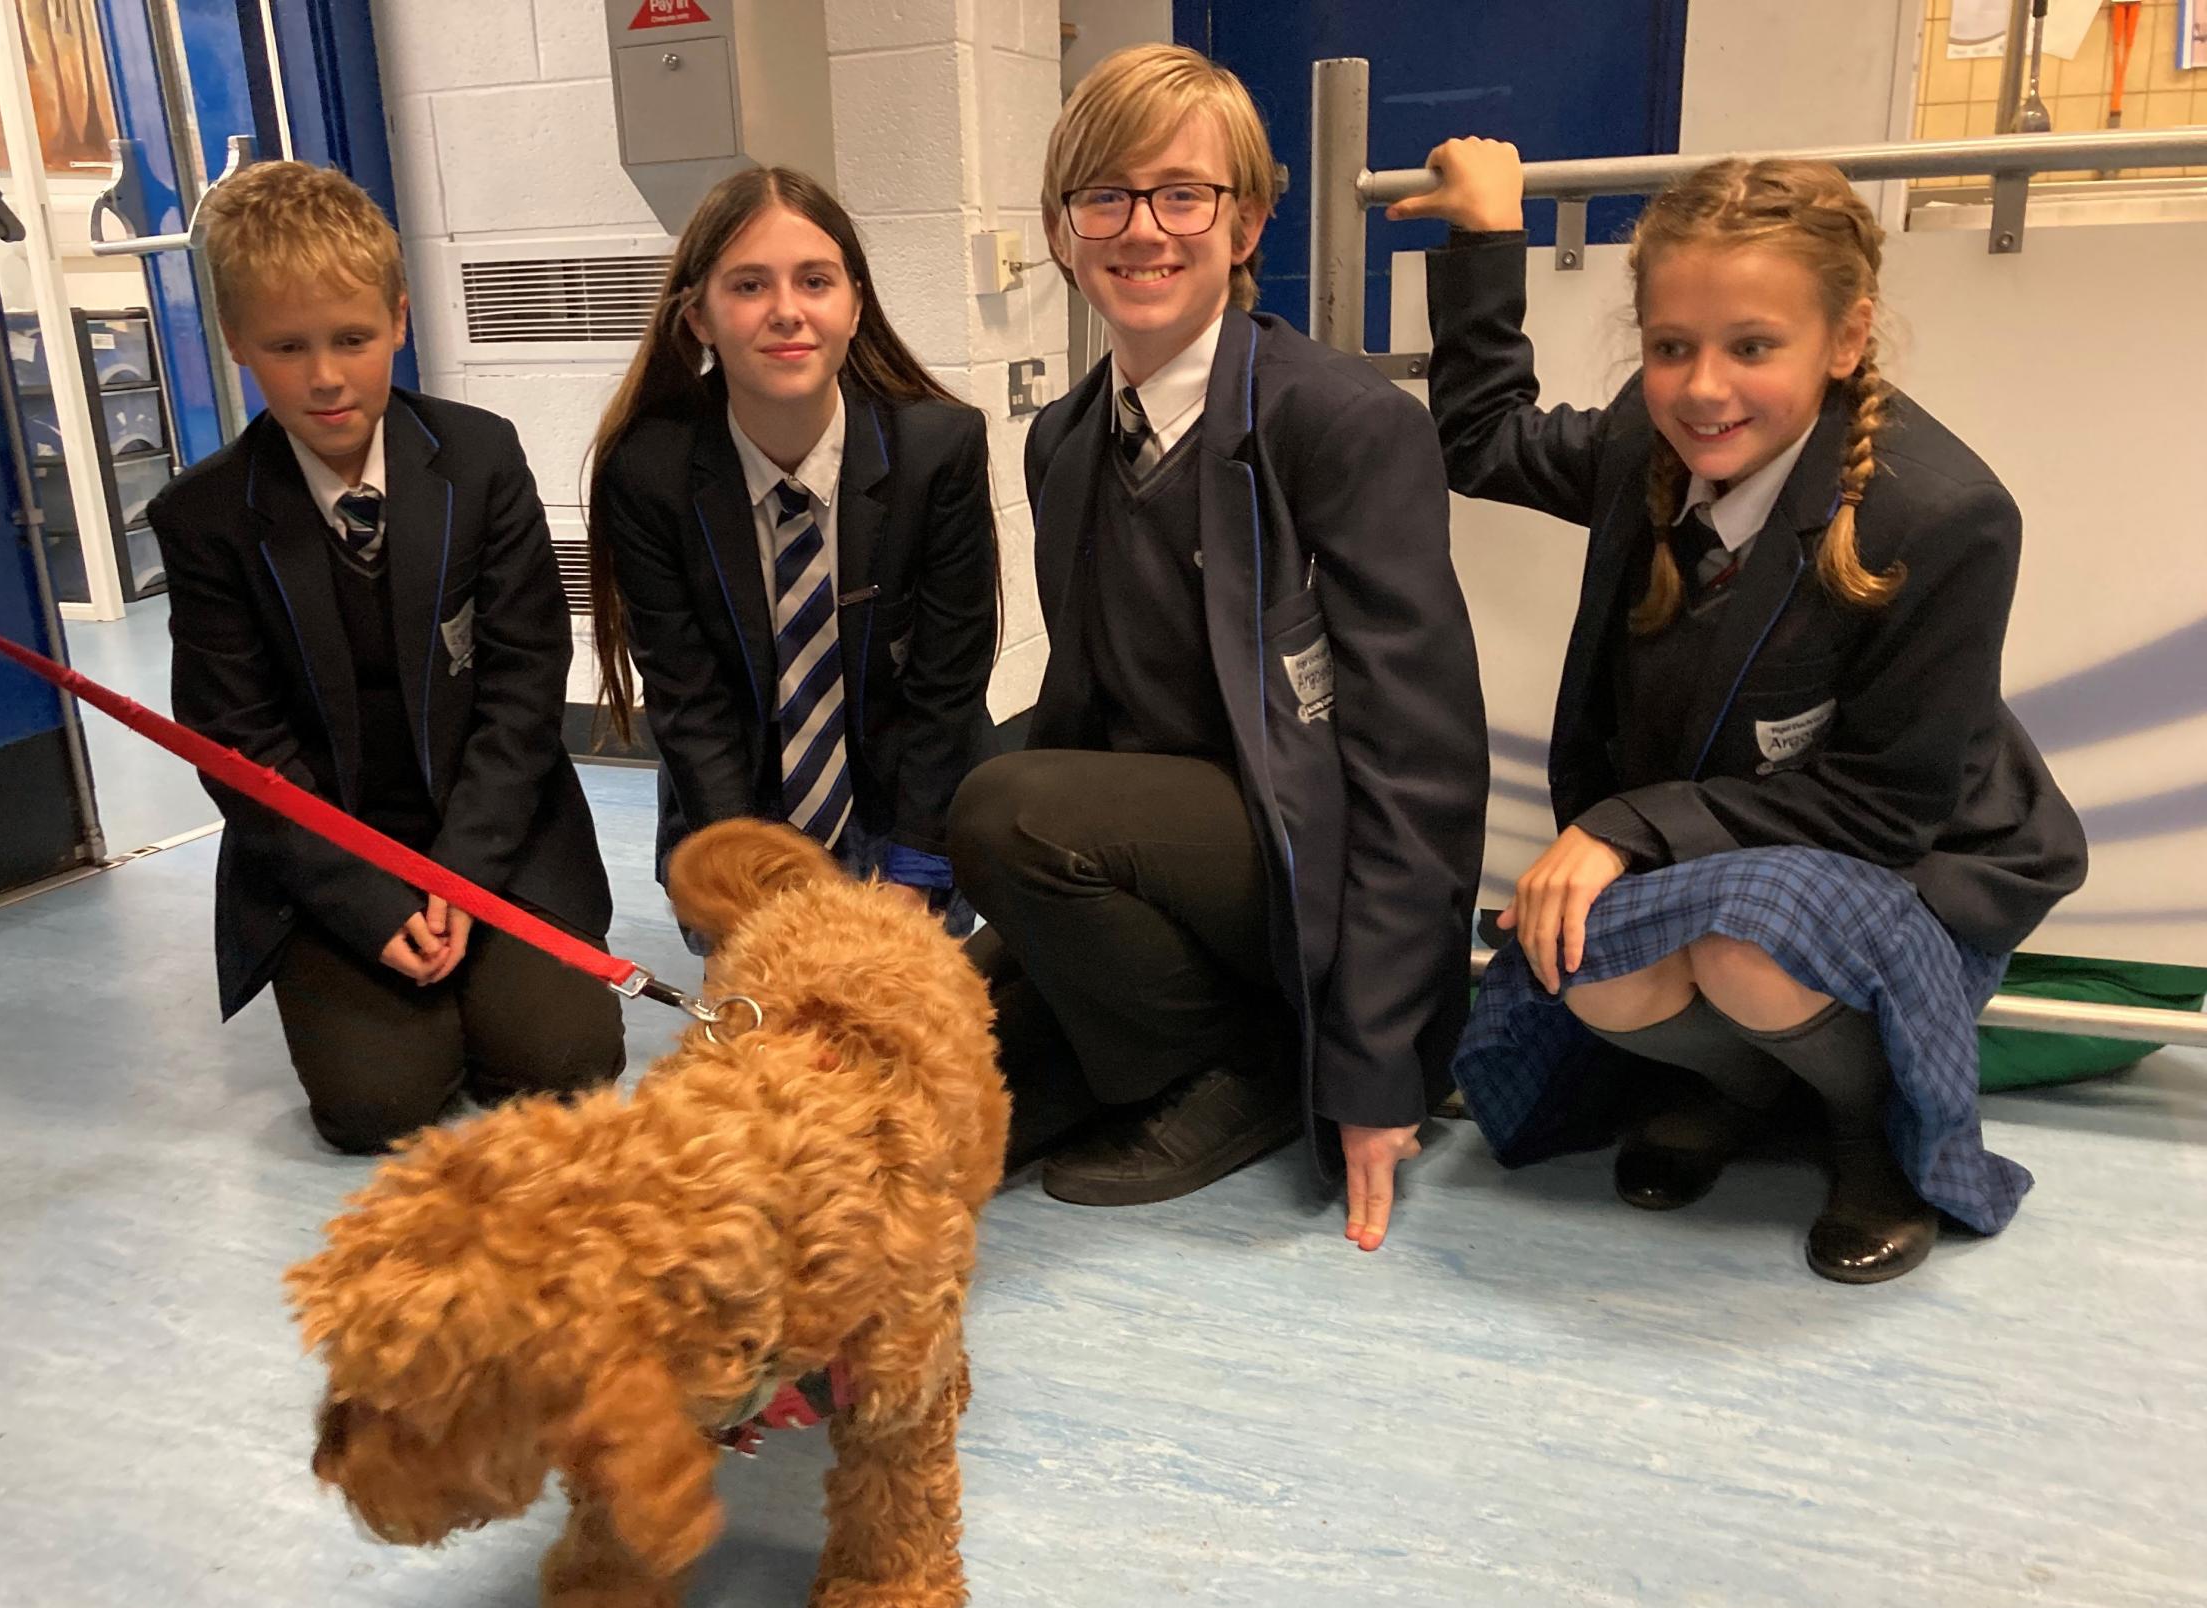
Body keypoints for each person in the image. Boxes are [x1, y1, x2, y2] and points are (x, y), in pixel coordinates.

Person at [1398, 140, 2086, 1283]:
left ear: (1848, 339)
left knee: (1750, 939)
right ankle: (1740, 1083)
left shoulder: (1947, 516)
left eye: (1754, 346)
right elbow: (1482, 439)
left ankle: (1871, 1132)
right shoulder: (1644, 438)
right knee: (1585, 959)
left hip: (1916, 870)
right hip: (1734, 849)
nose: (1704, 388)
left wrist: (1627, 829)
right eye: (1672, 348)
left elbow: (1883, 809)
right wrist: (1484, 237)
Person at [948, 45, 1488, 1249]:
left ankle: (1238, 1069)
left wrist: (1381, 1064)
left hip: (1312, 872)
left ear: (1244, 225)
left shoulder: (1342, 426)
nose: (1143, 229)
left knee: (1007, 807)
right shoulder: (1067, 443)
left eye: (1183, 194)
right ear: (1060, 229)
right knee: (937, 1067)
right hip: (1181, 865)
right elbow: (1090, 722)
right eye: (1106, 196)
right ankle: (1142, 1047)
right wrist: (1012, 957)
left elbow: (1422, 772)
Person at [150, 160, 624, 1153]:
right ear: (237, 344)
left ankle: (486, 993)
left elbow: (525, 683)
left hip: (492, 832)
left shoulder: (481, 459)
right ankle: (402, 1008)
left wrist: (459, 874)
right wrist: (368, 902)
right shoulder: (202, 519)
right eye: (287, 347)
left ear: (399, 322)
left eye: (353, 340)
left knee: (565, 1067)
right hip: (329, 853)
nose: (326, 377)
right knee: (373, 1110)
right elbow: (238, 745)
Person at [587, 167, 998, 930]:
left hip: (909, 806)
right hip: (738, 809)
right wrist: (755, 893)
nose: (786, 312)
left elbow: (948, 687)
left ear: (855, 305)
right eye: (748, 286)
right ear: (699, 317)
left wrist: (910, 877)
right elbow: (690, 707)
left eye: (815, 281)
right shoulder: (648, 474)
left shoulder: (938, 449)